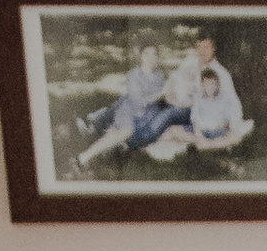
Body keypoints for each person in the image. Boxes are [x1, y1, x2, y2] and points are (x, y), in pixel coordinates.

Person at [74, 36, 195, 169]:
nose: (151, 57)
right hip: (129, 111)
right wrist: (160, 93)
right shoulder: (134, 75)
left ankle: (96, 136)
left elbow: (165, 101)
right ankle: (83, 158)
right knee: (125, 132)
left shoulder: (159, 76)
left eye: (154, 54)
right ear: (141, 56)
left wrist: (174, 94)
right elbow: (138, 101)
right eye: (147, 53)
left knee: (120, 135)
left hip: (147, 116)